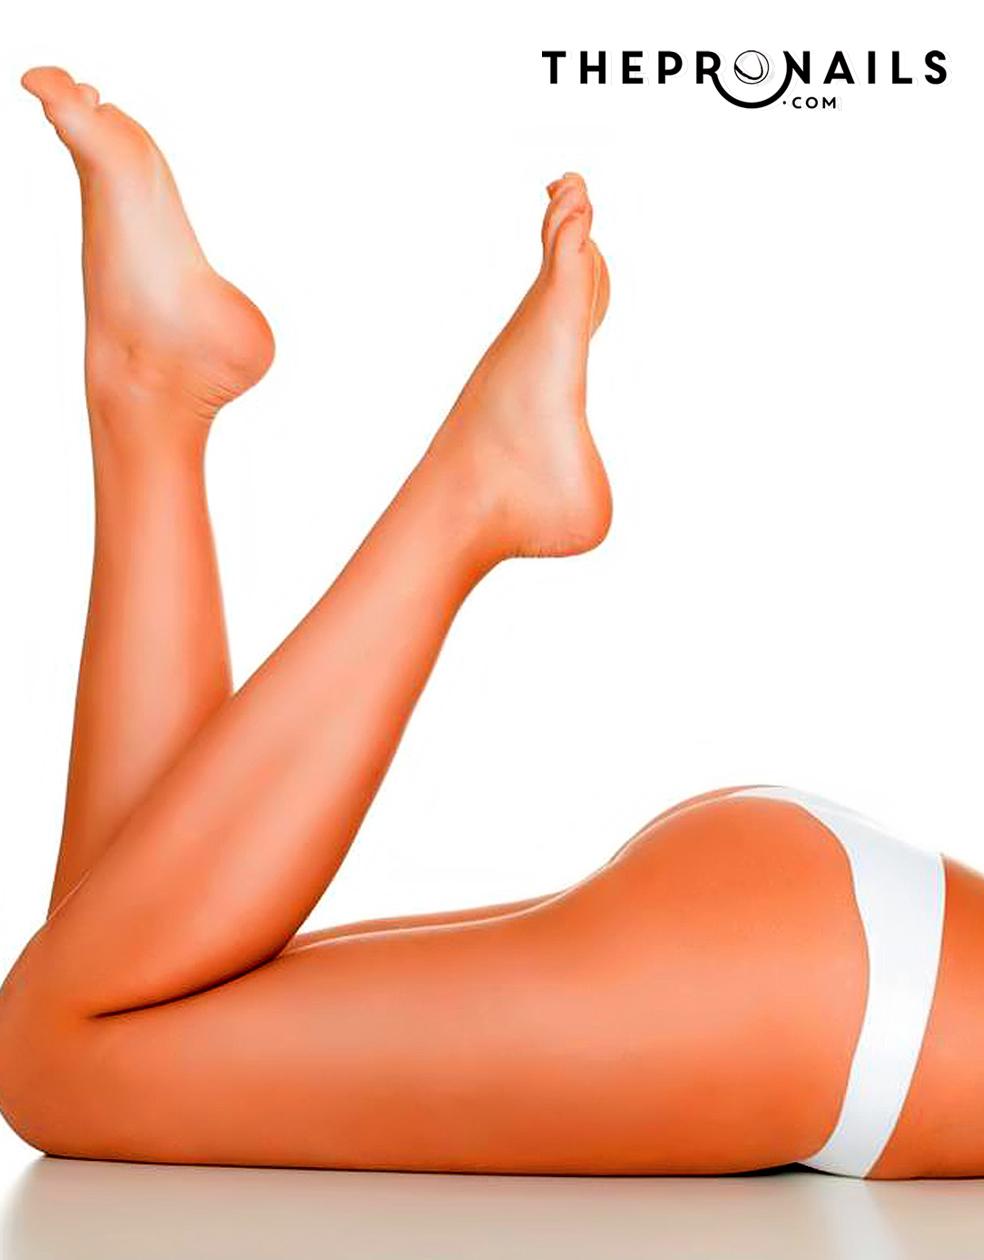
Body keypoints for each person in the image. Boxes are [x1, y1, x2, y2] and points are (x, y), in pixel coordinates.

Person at [0, 67, 980, 1180]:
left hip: (823, 965)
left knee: (120, 994)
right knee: (61, 1059)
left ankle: (149, 390)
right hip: (821, 1009)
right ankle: (474, 483)